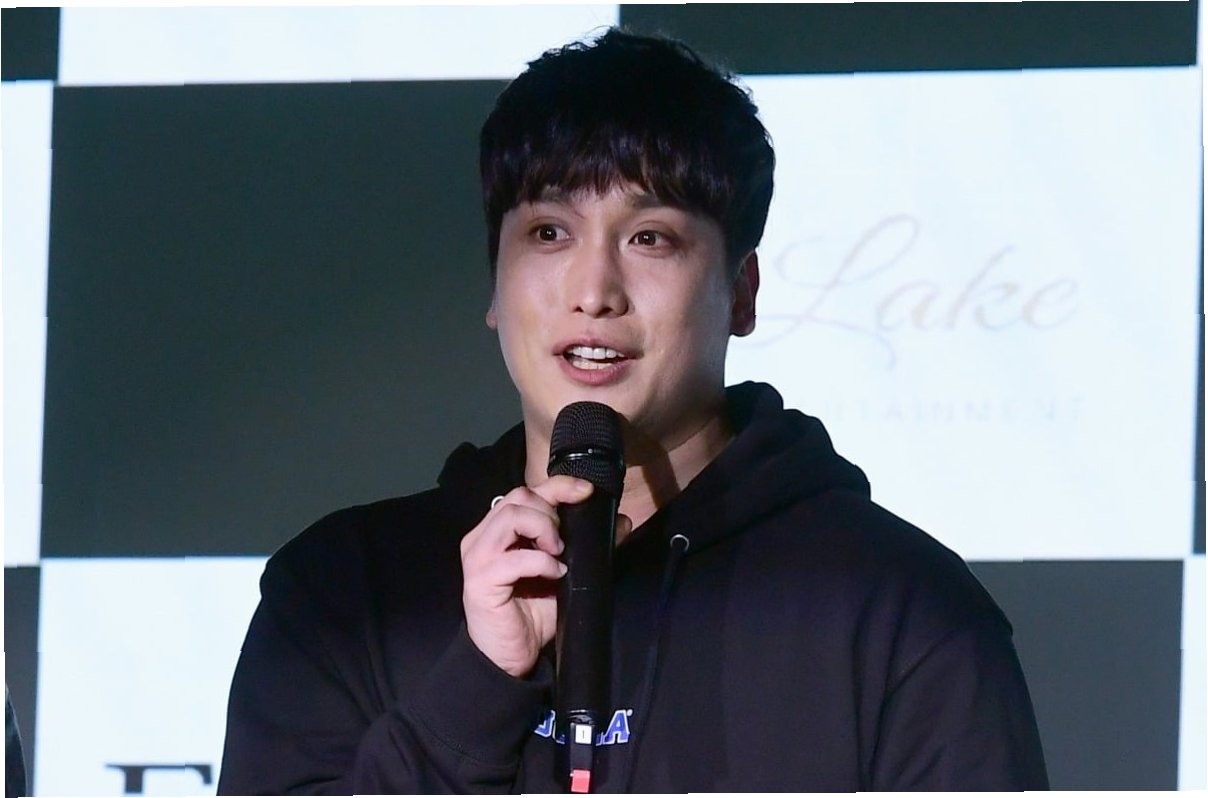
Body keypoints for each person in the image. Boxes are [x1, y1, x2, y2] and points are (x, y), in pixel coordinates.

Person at [217, 28, 1049, 793]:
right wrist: (478, 689)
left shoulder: (902, 610)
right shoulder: (341, 594)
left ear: (742, 293)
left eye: (650, 238)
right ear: (495, 283)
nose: (594, 292)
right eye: (549, 232)